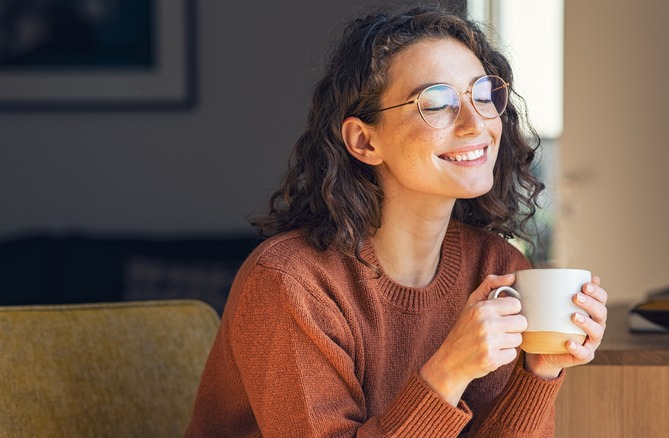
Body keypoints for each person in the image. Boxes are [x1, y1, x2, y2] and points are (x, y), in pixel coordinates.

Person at [186, 4, 608, 437]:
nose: (475, 123)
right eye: (437, 103)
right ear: (365, 141)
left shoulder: (496, 269)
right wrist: (448, 371)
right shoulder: (291, 283)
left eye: (482, 94)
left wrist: (539, 373)